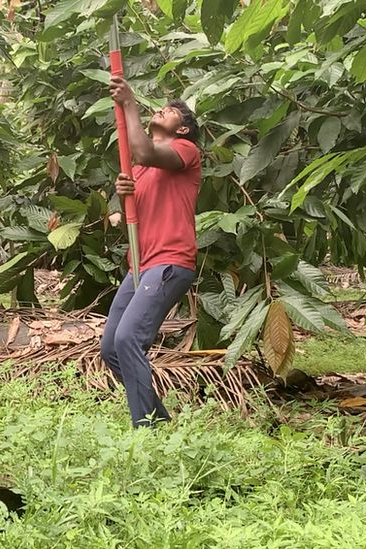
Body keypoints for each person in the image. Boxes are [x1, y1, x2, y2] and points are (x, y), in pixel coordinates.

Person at [101, 75, 202, 428]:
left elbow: (143, 149)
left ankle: (145, 430)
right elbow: (138, 212)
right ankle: (158, 422)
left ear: (184, 130)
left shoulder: (186, 152)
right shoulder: (140, 169)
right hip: (140, 266)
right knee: (111, 348)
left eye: (173, 111)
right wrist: (125, 193)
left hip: (170, 261)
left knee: (129, 338)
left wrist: (129, 102)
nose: (164, 109)